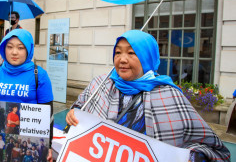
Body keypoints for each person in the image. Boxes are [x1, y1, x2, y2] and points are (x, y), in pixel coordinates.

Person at [65, 30, 231, 162]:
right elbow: (80, 107)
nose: (122, 59)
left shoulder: (169, 95)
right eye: (118, 53)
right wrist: (75, 113)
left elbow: (213, 149)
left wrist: (191, 157)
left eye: (131, 53)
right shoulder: (100, 84)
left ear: (147, 57)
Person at [0, 29, 54, 161]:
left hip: (28, 137)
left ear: (28, 50)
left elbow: (48, 114)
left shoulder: (40, 75)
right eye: (9, 47)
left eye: (20, 48)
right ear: (3, 48)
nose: (14, 52)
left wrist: (49, 146)